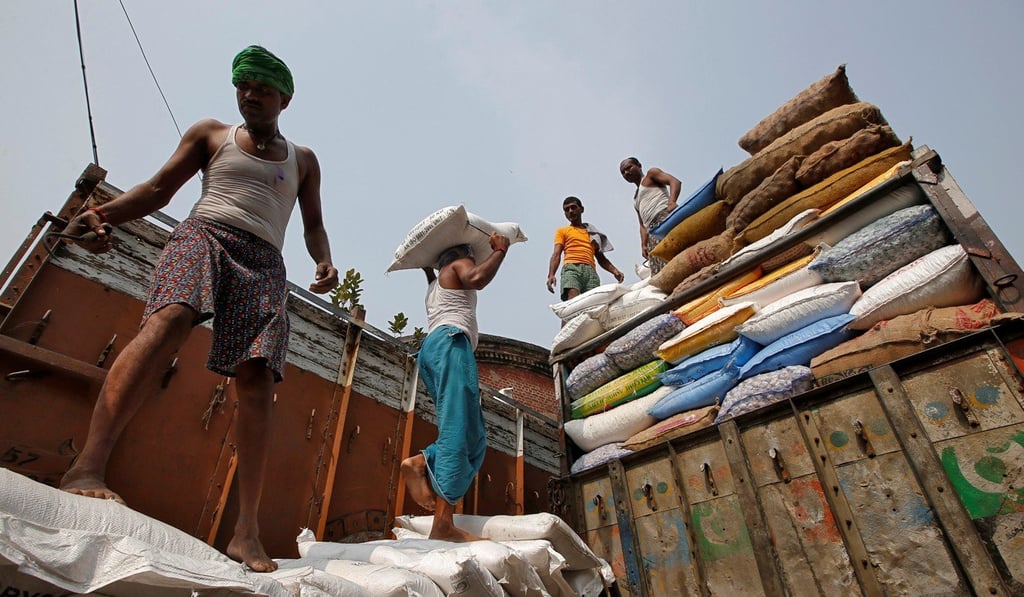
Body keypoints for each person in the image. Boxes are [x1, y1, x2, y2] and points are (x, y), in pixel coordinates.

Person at [58, 45, 339, 573]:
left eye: (262, 87)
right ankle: (87, 467)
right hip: (204, 235)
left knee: (257, 378)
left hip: (265, 263)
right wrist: (101, 215)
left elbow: (313, 223)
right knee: (167, 321)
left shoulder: (304, 160)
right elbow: (158, 190)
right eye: (244, 85)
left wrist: (325, 261)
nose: (250, 94)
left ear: (285, 98)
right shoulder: (210, 134)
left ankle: (246, 531)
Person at [400, 232, 510, 541]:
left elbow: (442, 278)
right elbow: (477, 277)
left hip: (432, 351)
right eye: (469, 254)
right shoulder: (459, 265)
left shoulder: (435, 285)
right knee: (459, 430)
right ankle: (440, 518)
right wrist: (500, 251)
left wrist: (425, 265)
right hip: (450, 346)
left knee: (472, 436)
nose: (471, 260)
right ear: (459, 255)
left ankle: (441, 517)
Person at [546, 196, 625, 304]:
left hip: (590, 272)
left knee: (593, 306)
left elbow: (601, 258)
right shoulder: (563, 231)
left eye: (573, 207)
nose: (570, 211)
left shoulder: (591, 233)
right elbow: (556, 254)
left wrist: (614, 271)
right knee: (572, 302)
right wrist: (551, 274)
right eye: (567, 209)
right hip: (572, 268)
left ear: (581, 209)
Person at [619, 157, 683, 274]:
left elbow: (674, 182)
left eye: (629, 168)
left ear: (639, 165)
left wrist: (672, 201)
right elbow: (642, 225)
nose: (626, 173)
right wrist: (643, 244)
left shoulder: (651, 175)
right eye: (623, 172)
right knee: (661, 270)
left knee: (676, 256)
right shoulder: (635, 198)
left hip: (664, 218)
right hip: (652, 232)